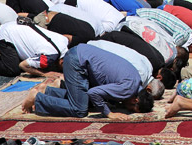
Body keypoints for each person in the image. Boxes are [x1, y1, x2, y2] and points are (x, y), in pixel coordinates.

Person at [24, 43, 156, 118]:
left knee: (87, 102)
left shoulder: (136, 80)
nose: (127, 108)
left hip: (82, 55)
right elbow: (93, 93)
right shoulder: (128, 89)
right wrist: (109, 114)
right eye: (132, 108)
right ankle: (38, 98)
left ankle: (48, 91)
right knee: (79, 109)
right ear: (135, 100)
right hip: (78, 62)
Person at [0, 20, 69, 77]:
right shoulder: (48, 57)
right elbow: (23, 65)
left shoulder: (64, 41)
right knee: (13, 70)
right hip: (7, 34)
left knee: (23, 59)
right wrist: (44, 74)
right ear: (62, 62)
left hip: (15, 27)